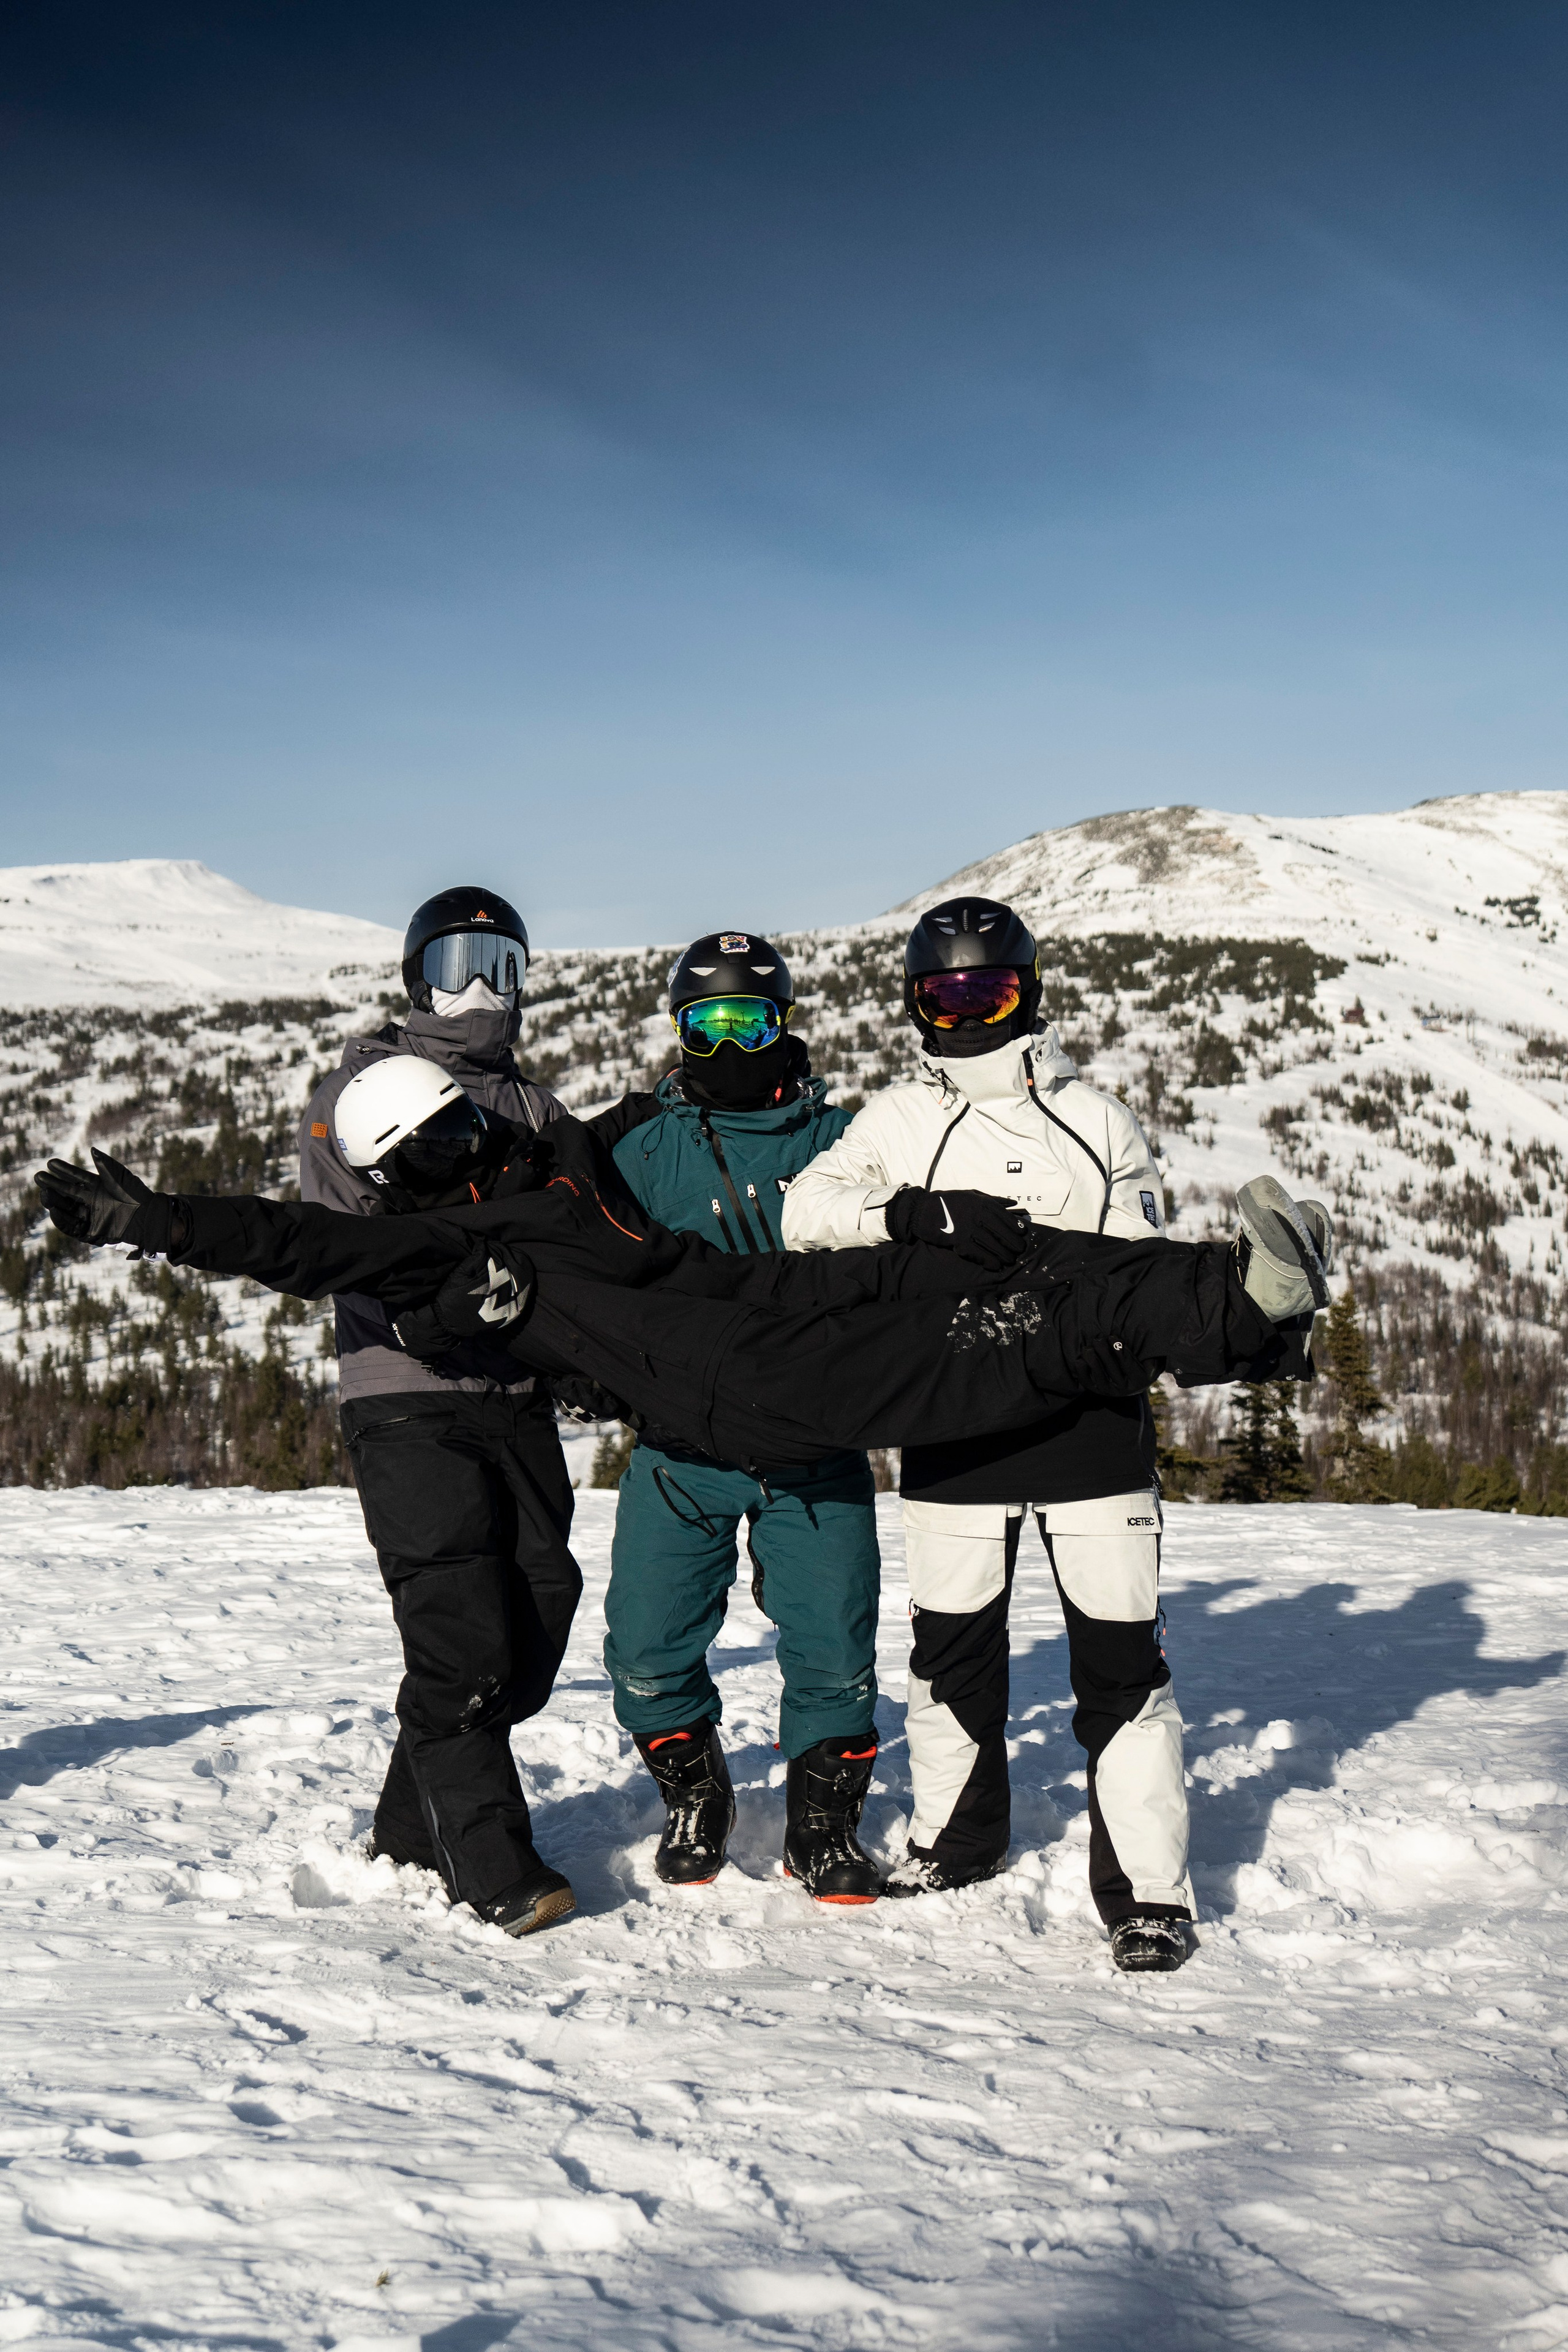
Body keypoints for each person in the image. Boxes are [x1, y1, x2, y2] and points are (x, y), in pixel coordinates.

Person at [782, 895, 1323, 1973]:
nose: (971, 1013)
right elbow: (806, 1214)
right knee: (950, 1659)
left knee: (1121, 1667)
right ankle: (956, 1843)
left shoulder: (1098, 1115)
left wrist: (1036, 1264)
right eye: (948, 994)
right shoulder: (895, 1118)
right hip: (956, 1428)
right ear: (916, 1005)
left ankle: (1149, 1894)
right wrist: (915, 1215)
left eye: (992, 990)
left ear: (1029, 992)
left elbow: (1131, 1268)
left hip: (1088, 1430)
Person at [295, 885, 653, 1939]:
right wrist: (420, 1324)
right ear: (417, 976)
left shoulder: (533, 1110)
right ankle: (488, 1855)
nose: (482, 989)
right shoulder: (360, 1088)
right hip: (405, 1398)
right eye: (458, 964)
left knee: (541, 1602)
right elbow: (338, 1245)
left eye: (503, 965)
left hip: (514, 1395)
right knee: (458, 1633)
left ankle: (413, 1822)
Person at [604, 933, 883, 1904]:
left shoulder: (848, 1140)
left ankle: (823, 1826)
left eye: (748, 1022)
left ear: (784, 1022)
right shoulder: (641, 1151)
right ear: (679, 1031)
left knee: (834, 1648)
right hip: (684, 1445)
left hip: (815, 1444)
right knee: (643, 1645)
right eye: (705, 1025)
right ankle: (696, 1796)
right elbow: (590, 1273)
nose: (727, 1047)